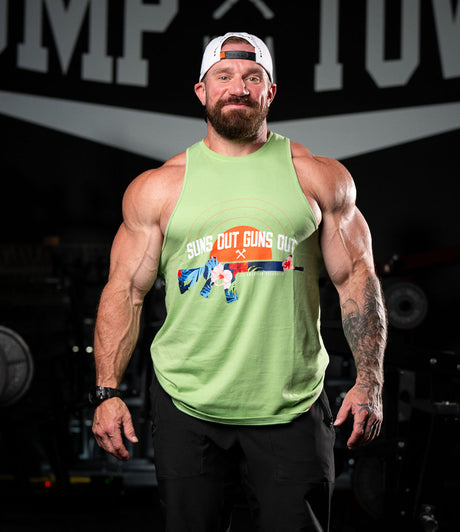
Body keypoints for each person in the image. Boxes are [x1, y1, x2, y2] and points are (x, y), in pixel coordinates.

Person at [91, 32, 387, 531]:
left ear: (270, 92)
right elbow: (125, 290)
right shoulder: (159, 187)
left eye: (253, 77)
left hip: (291, 405)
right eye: (223, 76)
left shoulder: (318, 177)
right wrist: (106, 392)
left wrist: (370, 381)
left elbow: (357, 278)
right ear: (201, 90)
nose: (238, 87)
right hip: (188, 405)